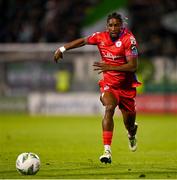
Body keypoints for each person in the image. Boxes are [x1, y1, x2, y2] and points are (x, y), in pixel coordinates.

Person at [54, 12, 141, 164]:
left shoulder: (129, 40)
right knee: (109, 107)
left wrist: (110, 65)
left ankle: (132, 134)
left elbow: (133, 66)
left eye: (116, 25)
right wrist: (62, 49)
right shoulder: (101, 37)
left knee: (129, 124)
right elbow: (83, 41)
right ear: (107, 26)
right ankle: (107, 151)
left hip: (126, 88)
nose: (113, 28)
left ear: (121, 26)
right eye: (111, 25)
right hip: (109, 85)